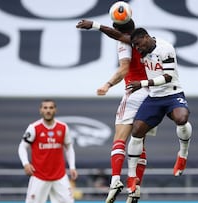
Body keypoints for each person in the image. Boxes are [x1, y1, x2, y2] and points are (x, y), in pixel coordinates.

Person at [76, 19, 154, 203]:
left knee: (120, 139)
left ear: (117, 28)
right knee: (139, 142)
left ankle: (116, 180)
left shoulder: (124, 44)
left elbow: (124, 69)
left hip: (135, 92)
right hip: (153, 95)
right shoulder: (150, 41)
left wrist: (107, 84)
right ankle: (135, 186)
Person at [125, 28, 192, 193]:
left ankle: (182, 154)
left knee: (182, 119)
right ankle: (131, 176)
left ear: (146, 38)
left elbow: (168, 76)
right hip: (154, 97)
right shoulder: (142, 48)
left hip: (172, 93)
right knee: (136, 131)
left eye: (139, 45)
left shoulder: (165, 48)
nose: (138, 49)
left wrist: (141, 84)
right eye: (135, 46)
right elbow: (120, 36)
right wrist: (97, 26)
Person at [18, 99, 78, 203]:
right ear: (40, 110)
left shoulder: (63, 127)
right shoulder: (34, 128)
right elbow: (22, 147)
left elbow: (69, 147)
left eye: (51, 108)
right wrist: (26, 164)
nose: (48, 110)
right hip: (39, 176)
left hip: (59, 176)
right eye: (45, 108)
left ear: (55, 110)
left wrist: (72, 167)